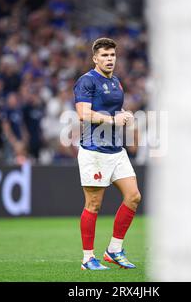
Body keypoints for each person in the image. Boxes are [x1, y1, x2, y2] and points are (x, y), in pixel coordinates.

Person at [73, 38, 141, 270]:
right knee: (93, 205)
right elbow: (84, 114)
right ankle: (87, 258)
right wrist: (113, 119)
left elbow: (112, 111)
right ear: (95, 58)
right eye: (104, 55)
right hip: (94, 151)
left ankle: (114, 250)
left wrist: (123, 115)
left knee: (133, 197)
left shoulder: (116, 82)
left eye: (112, 55)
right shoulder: (86, 81)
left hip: (116, 150)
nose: (109, 59)